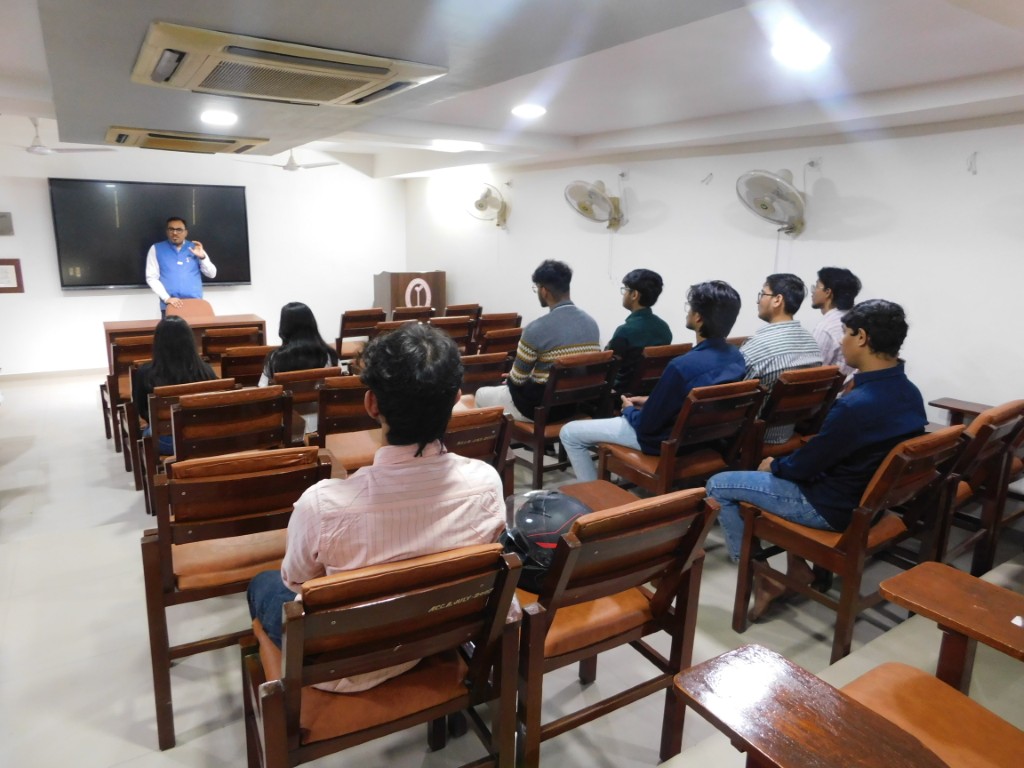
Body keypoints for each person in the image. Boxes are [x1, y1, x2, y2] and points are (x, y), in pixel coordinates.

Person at [247, 323, 507, 693]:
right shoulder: (486, 483)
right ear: (455, 399)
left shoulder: (322, 505)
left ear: (371, 404)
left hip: (343, 668)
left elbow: (296, 581)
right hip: (438, 636)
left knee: (263, 584)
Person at [706, 299, 926, 617]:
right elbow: (826, 455)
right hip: (869, 502)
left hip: (831, 507)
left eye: (846, 333)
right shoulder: (910, 393)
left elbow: (806, 467)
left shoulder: (857, 405)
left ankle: (762, 581)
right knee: (792, 465)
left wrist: (774, 465)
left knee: (718, 485)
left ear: (862, 337)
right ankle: (798, 570)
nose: (842, 341)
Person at [560, 281, 746, 482]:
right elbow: (693, 401)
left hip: (663, 442)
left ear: (698, 317)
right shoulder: (736, 358)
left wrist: (628, 410)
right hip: (704, 439)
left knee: (569, 432)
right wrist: (651, 400)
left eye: (690, 308)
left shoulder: (682, 366)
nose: (688, 312)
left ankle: (592, 494)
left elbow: (646, 426)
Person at [474, 259, 600, 421]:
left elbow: (518, 380)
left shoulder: (535, 329)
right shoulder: (591, 323)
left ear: (544, 291)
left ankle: (505, 439)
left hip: (541, 409)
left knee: (481, 394)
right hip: (574, 405)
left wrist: (512, 377)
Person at [739, 273, 823, 444]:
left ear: (777, 300)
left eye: (762, 294)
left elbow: (737, 397)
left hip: (751, 439)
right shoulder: (812, 344)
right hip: (789, 431)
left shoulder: (757, 347)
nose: (759, 301)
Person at [131, 315, 216, 455]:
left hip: (168, 442)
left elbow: (142, 410)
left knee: (148, 433)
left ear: (157, 343)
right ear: (190, 341)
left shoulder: (145, 373)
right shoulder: (206, 371)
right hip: (203, 438)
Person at [607, 268, 672, 390]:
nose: (624, 294)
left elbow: (608, 368)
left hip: (620, 394)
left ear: (634, 295)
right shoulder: (664, 328)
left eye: (625, 289)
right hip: (649, 393)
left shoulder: (624, 331)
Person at [145, 217, 216, 316]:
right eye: (171, 229)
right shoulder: (156, 249)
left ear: (185, 232)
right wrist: (166, 298)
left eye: (179, 230)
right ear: (167, 231)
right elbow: (151, 277)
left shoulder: (195, 248)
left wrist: (202, 257)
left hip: (195, 304)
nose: (175, 233)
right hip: (170, 305)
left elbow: (212, 274)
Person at [258, 302, 339, 387]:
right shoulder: (330, 355)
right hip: (320, 396)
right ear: (312, 324)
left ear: (284, 327)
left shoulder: (274, 358)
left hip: (287, 396)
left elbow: (263, 388)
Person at [811, 266, 862, 379]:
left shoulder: (825, 328)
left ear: (828, 292)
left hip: (833, 389)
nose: (813, 291)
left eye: (817, 286)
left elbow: (813, 373)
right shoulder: (856, 319)